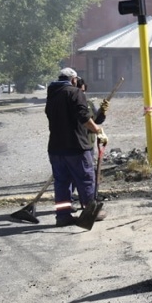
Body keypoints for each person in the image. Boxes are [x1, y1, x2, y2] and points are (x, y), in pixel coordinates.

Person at [45, 68, 105, 227]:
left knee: (62, 183)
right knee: (85, 179)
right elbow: (84, 117)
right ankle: (90, 213)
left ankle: (63, 216)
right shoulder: (75, 92)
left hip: (56, 148)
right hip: (76, 147)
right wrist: (98, 130)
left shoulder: (52, 94)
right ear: (73, 79)